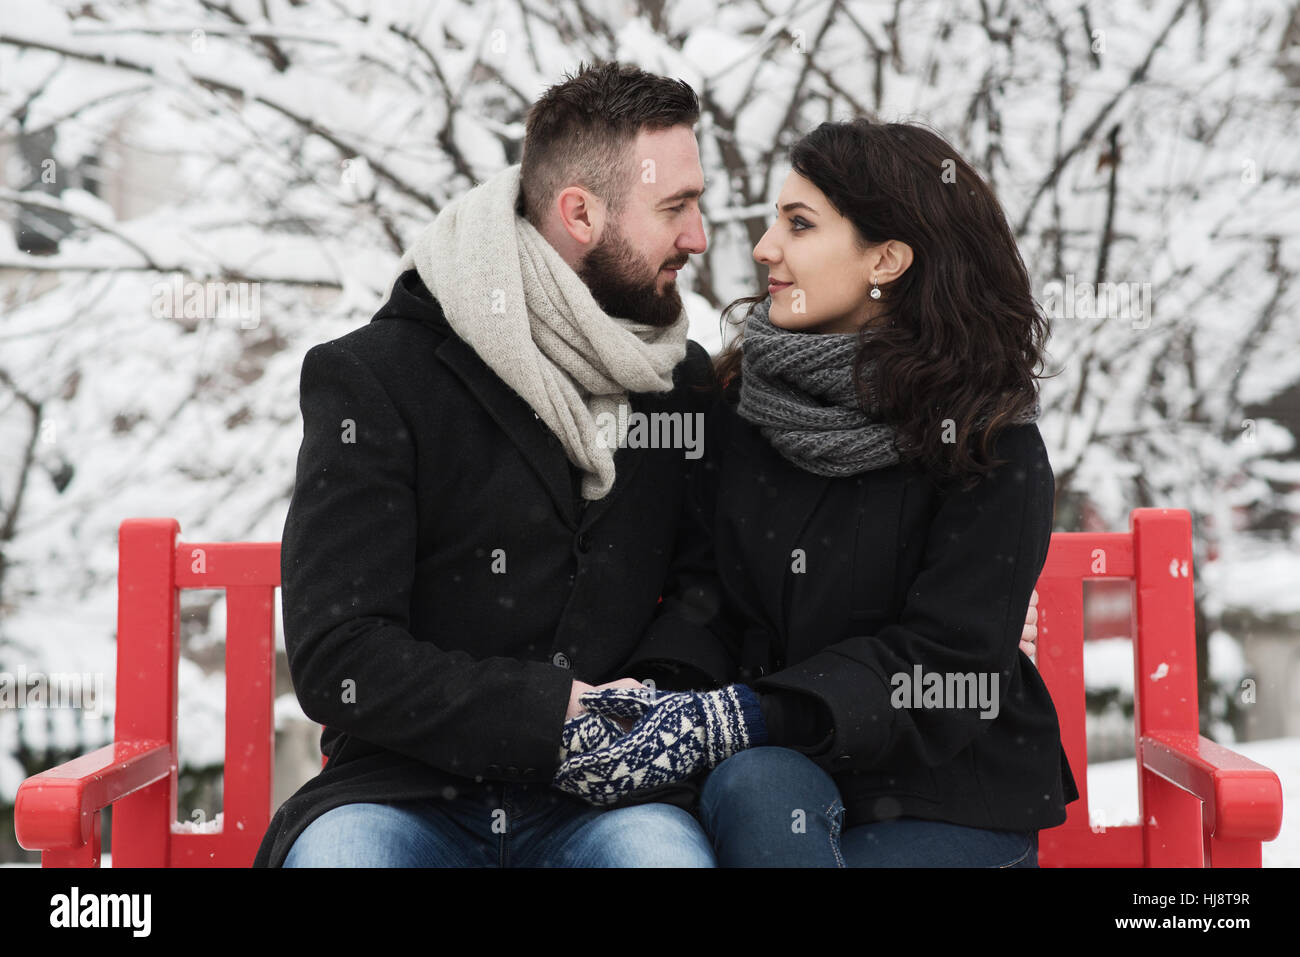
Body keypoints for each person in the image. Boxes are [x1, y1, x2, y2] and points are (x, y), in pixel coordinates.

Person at [554, 117, 1079, 867]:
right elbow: (703, 598)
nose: (765, 246)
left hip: (945, 792)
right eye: (775, 220)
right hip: (774, 770)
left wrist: (746, 712)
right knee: (757, 785)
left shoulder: (990, 446)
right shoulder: (735, 409)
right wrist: (664, 701)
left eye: (799, 225)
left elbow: (950, 667)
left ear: (888, 258)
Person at [253, 60, 722, 868]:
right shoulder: (379, 377)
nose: (698, 237)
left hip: (610, 802)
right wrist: (549, 716)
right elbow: (339, 655)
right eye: (676, 208)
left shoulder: (678, 385)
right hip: (400, 792)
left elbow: (704, 592)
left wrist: (639, 707)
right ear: (580, 212)